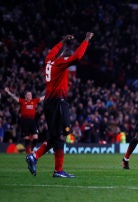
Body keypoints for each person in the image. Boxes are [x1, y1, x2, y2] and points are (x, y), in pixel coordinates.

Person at [26, 32, 94, 177]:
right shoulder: (59, 62)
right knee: (62, 136)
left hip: (50, 103)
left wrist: (63, 41)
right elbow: (77, 57)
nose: (64, 53)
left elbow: (54, 50)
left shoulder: (48, 60)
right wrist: (86, 40)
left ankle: (35, 156)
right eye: (63, 52)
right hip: (58, 103)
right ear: (61, 55)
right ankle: (57, 170)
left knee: (54, 137)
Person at [4, 87, 45, 154]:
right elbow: (15, 98)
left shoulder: (34, 101)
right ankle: (27, 152)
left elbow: (42, 98)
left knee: (35, 137)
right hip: (25, 121)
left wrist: (52, 93)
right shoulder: (23, 101)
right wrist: (8, 92)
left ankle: (32, 149)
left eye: (30, 95)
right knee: (27, 138)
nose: (30, 96)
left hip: (32, 121)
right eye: (28, 95)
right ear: (25, 96)